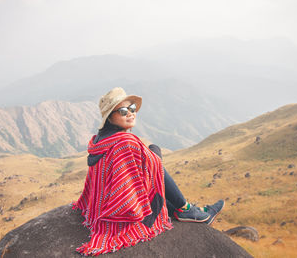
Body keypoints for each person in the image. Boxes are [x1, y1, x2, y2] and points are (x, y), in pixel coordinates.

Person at [73, 87, 224, 256]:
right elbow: (155, 168)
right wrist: (155, 154)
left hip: (106, 200)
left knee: (151, 153)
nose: (130, 113)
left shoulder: (99, 140)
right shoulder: (125, 141)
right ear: (110, 118)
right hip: (124, 205)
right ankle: (185, 208)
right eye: (123, 111)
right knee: (155, 158)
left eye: (132, 108)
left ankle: (186, 209)